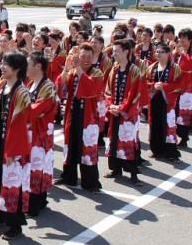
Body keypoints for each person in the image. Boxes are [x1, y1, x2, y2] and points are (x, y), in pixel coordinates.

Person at [0, 51, 31, 240]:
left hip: (13, 145)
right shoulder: (0, 86)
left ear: (17, 69)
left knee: (12, 183)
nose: (2, 66)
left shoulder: (22, 92)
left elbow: (19, 124)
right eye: (2, 63)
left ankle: (15, 224)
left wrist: (12, 150)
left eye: (6, 64)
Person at [58, 44, 104, 192]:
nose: (85, 60)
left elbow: (90, 88)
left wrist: (78, 69)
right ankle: (69, 176)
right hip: (72, 113)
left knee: (87, 149)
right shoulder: (72, 71)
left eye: (89, 57)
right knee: (70, 145)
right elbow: (61, 85)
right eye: (82, 56)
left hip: (88, 117)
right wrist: (66, 68)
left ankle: (90, 182)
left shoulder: (97, 73)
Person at [104, 40, 142, 185]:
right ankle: (115, 168)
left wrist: (122, 108)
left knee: (128, 141)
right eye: (113, 51)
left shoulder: (134, 70)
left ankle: (133, 173)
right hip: (115, 112)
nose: (114, 54)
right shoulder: (114, 69)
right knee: (113, 139)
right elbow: (108, 91)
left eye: (116, 51)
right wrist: (111, 105)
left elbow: (134, 94)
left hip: (127, 113)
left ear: (126, 51)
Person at [25, 52, 58, 216]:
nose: (26, 67)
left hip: (40, 133)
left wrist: (18, 111)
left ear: (38, 66)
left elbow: (38, 109)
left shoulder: (47, 86)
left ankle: (35, 204)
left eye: (28, 64)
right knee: (32, 166)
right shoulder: (31, 83)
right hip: (31, 132)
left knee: (38, 166)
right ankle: (38, 200)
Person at [147, 44, 182, 163]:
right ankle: (156, 149)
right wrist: (153, 86)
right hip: (154, 100)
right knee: (155, 124)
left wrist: (165, 87)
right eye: (156, 52)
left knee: (168, 126)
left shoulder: (175, 68)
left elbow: (179, 85)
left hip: (167, 101)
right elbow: (146, 83)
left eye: (161, 52)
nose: (158, 54)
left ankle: (171, 152)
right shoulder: (152, 67)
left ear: (168, 54)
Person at [173, 29, 192, 148]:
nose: (181, 40)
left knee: (184, 112)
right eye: (180, 37)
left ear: (190, 39)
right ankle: (174, 135)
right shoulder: (179, 50)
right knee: (175, 111)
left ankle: (184, 137)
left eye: (184, 38)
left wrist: (180, 53)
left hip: (187, 86)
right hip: (176, 84)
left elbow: (189, 65)